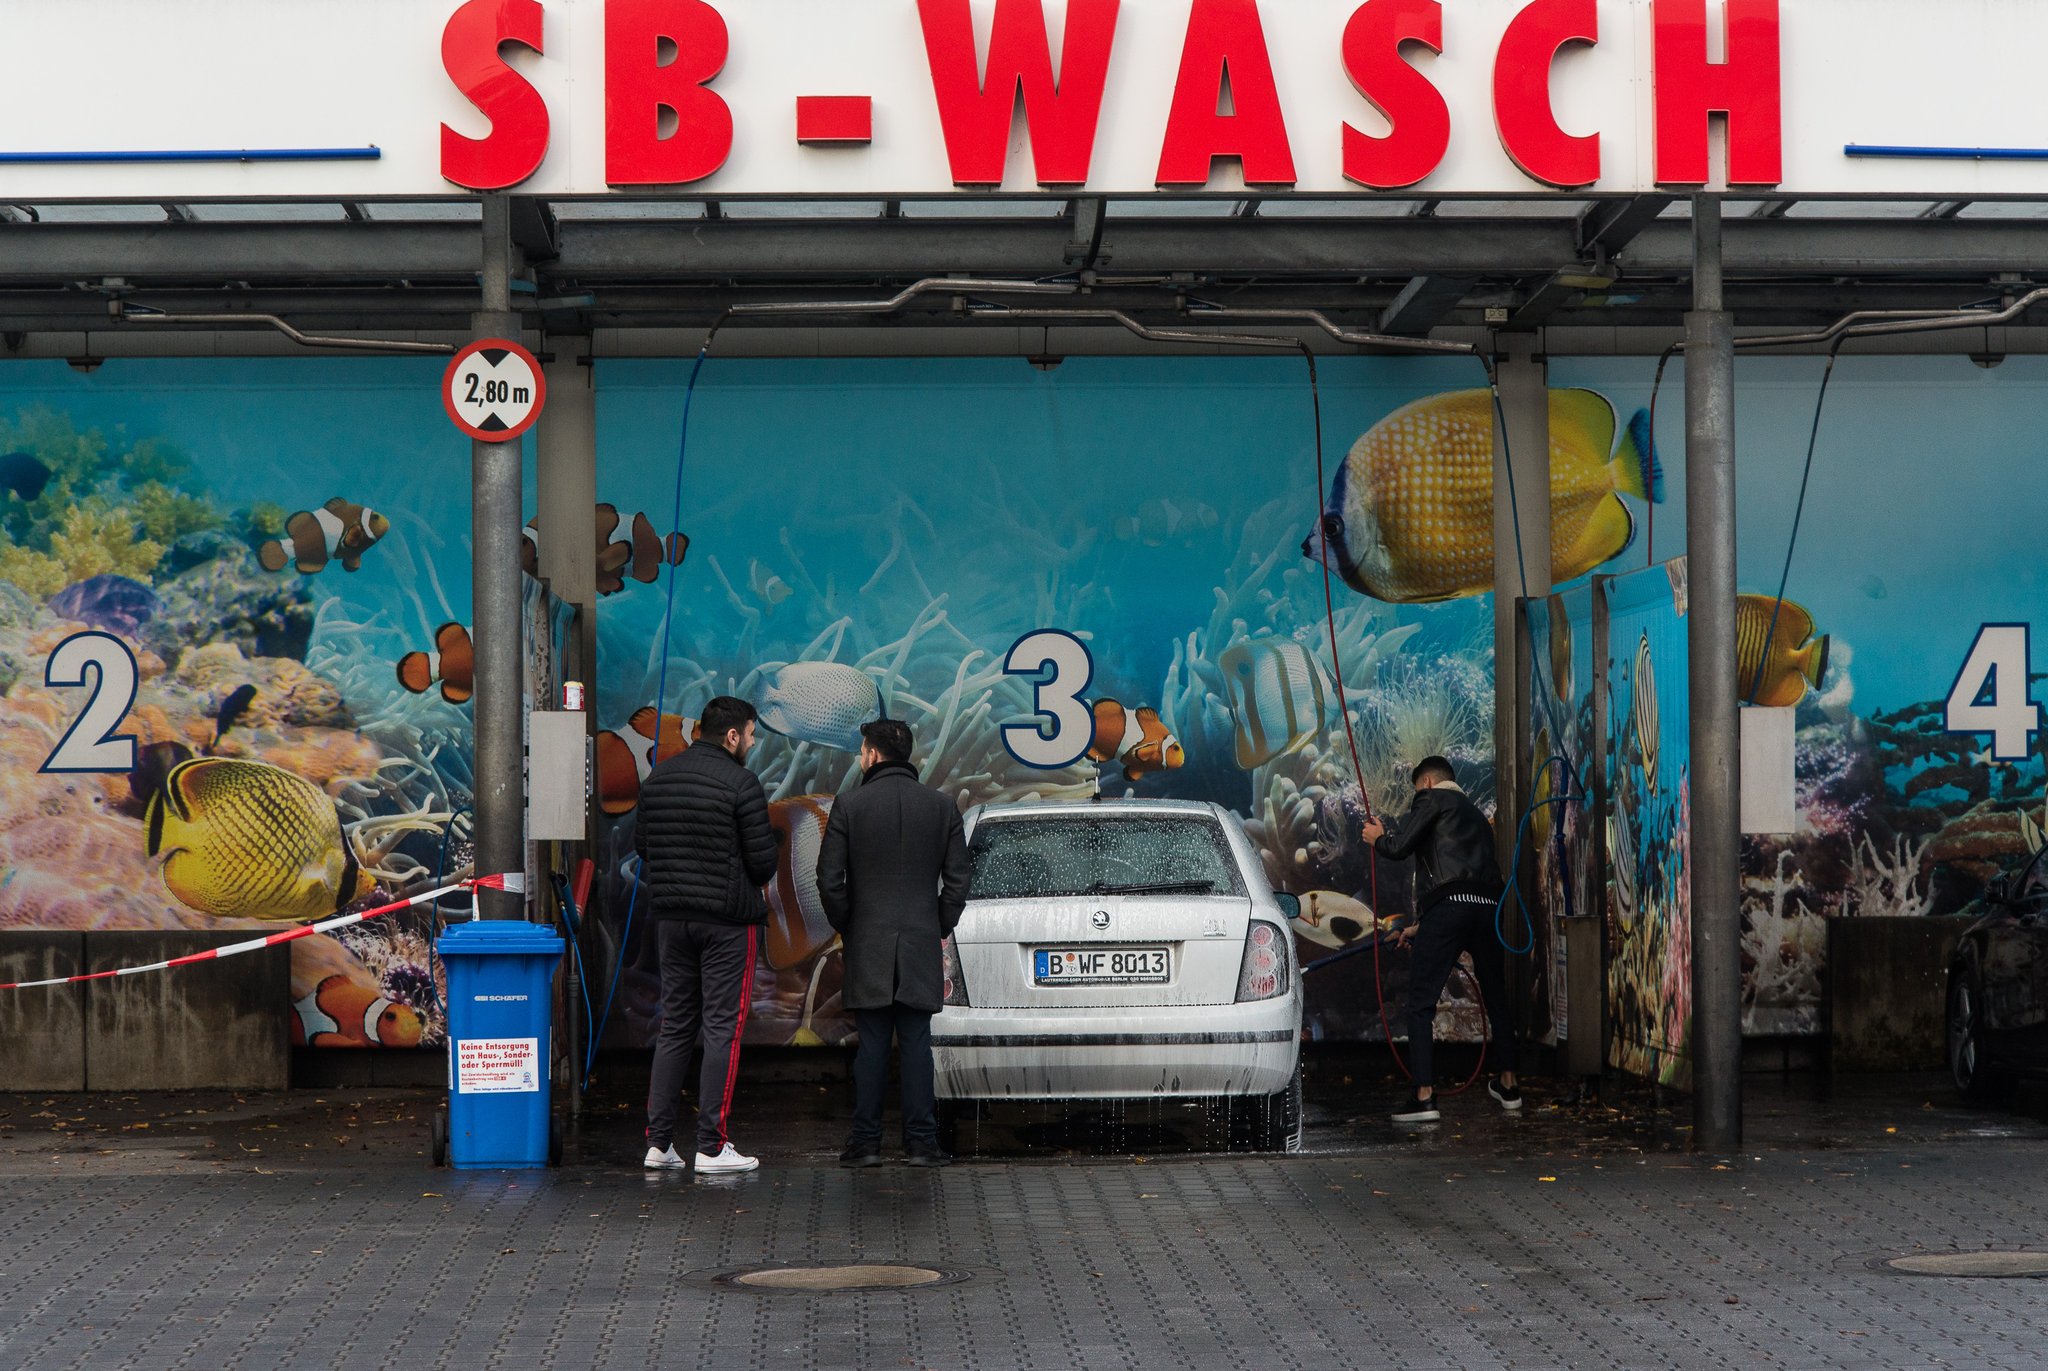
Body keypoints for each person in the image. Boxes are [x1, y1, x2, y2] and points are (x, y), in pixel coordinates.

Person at [815, 718, 971, 1168]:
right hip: (921, 937)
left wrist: (851, 923)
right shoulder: (942, 807)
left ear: (872, 755)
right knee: (917, 1042)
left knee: (872, 1044)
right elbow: (958, 879)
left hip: (868, 938)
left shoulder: (849, 805)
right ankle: (921, 1144)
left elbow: (829, 879)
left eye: (862, 750)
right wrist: (937, 923)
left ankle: (865, 1145)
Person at [636, 695, 778, 1174]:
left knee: (675, 1024)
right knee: (722, 1029)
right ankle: (712, 1147)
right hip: (728, 924)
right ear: (733, 735)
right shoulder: (742, 783)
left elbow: (643, 846)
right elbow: (762, 862)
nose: (753, 744)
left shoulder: (659, 778)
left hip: (672, 919)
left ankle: (658, 1144)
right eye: (752, 735)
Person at [1360, 755, 1520, 1123]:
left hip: (1448, 908)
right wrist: (1420, 927)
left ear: (1427, 783)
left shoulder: (1432, 799)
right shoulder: (1479, 817)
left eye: (1418, 789)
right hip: (1486, 908)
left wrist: (1377, 838)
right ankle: (1509, 1086)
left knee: (1420, 1003)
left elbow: (1400, 848)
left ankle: (1424, 1096)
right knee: (1497, 999)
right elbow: (1470, 879)